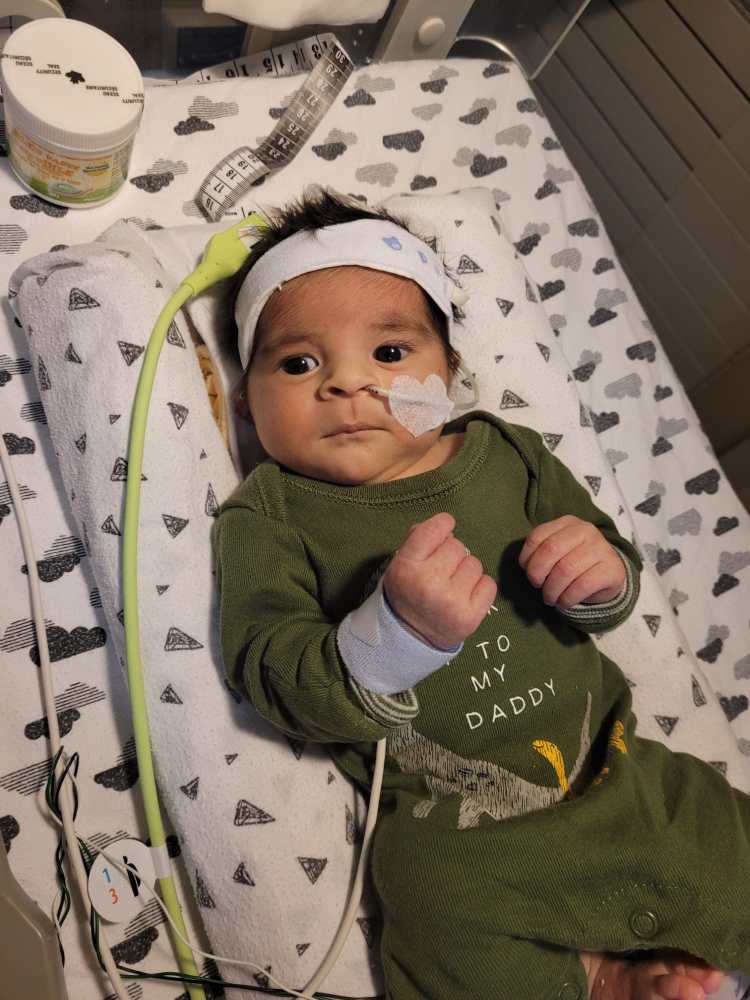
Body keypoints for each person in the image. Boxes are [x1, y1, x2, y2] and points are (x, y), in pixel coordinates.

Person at [213, 189, 750, 1000]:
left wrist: (598, 572)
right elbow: (268, 670)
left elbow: (608, 560)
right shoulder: (271, 515)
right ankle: (600, 977)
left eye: (389, 352)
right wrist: (392, 637)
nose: (349, 383)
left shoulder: (508, 454)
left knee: (718, 837)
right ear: (246, 403)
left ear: (451, 373)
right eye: (298, 364)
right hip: (460, 827)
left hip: (619, 769)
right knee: (434, 905)